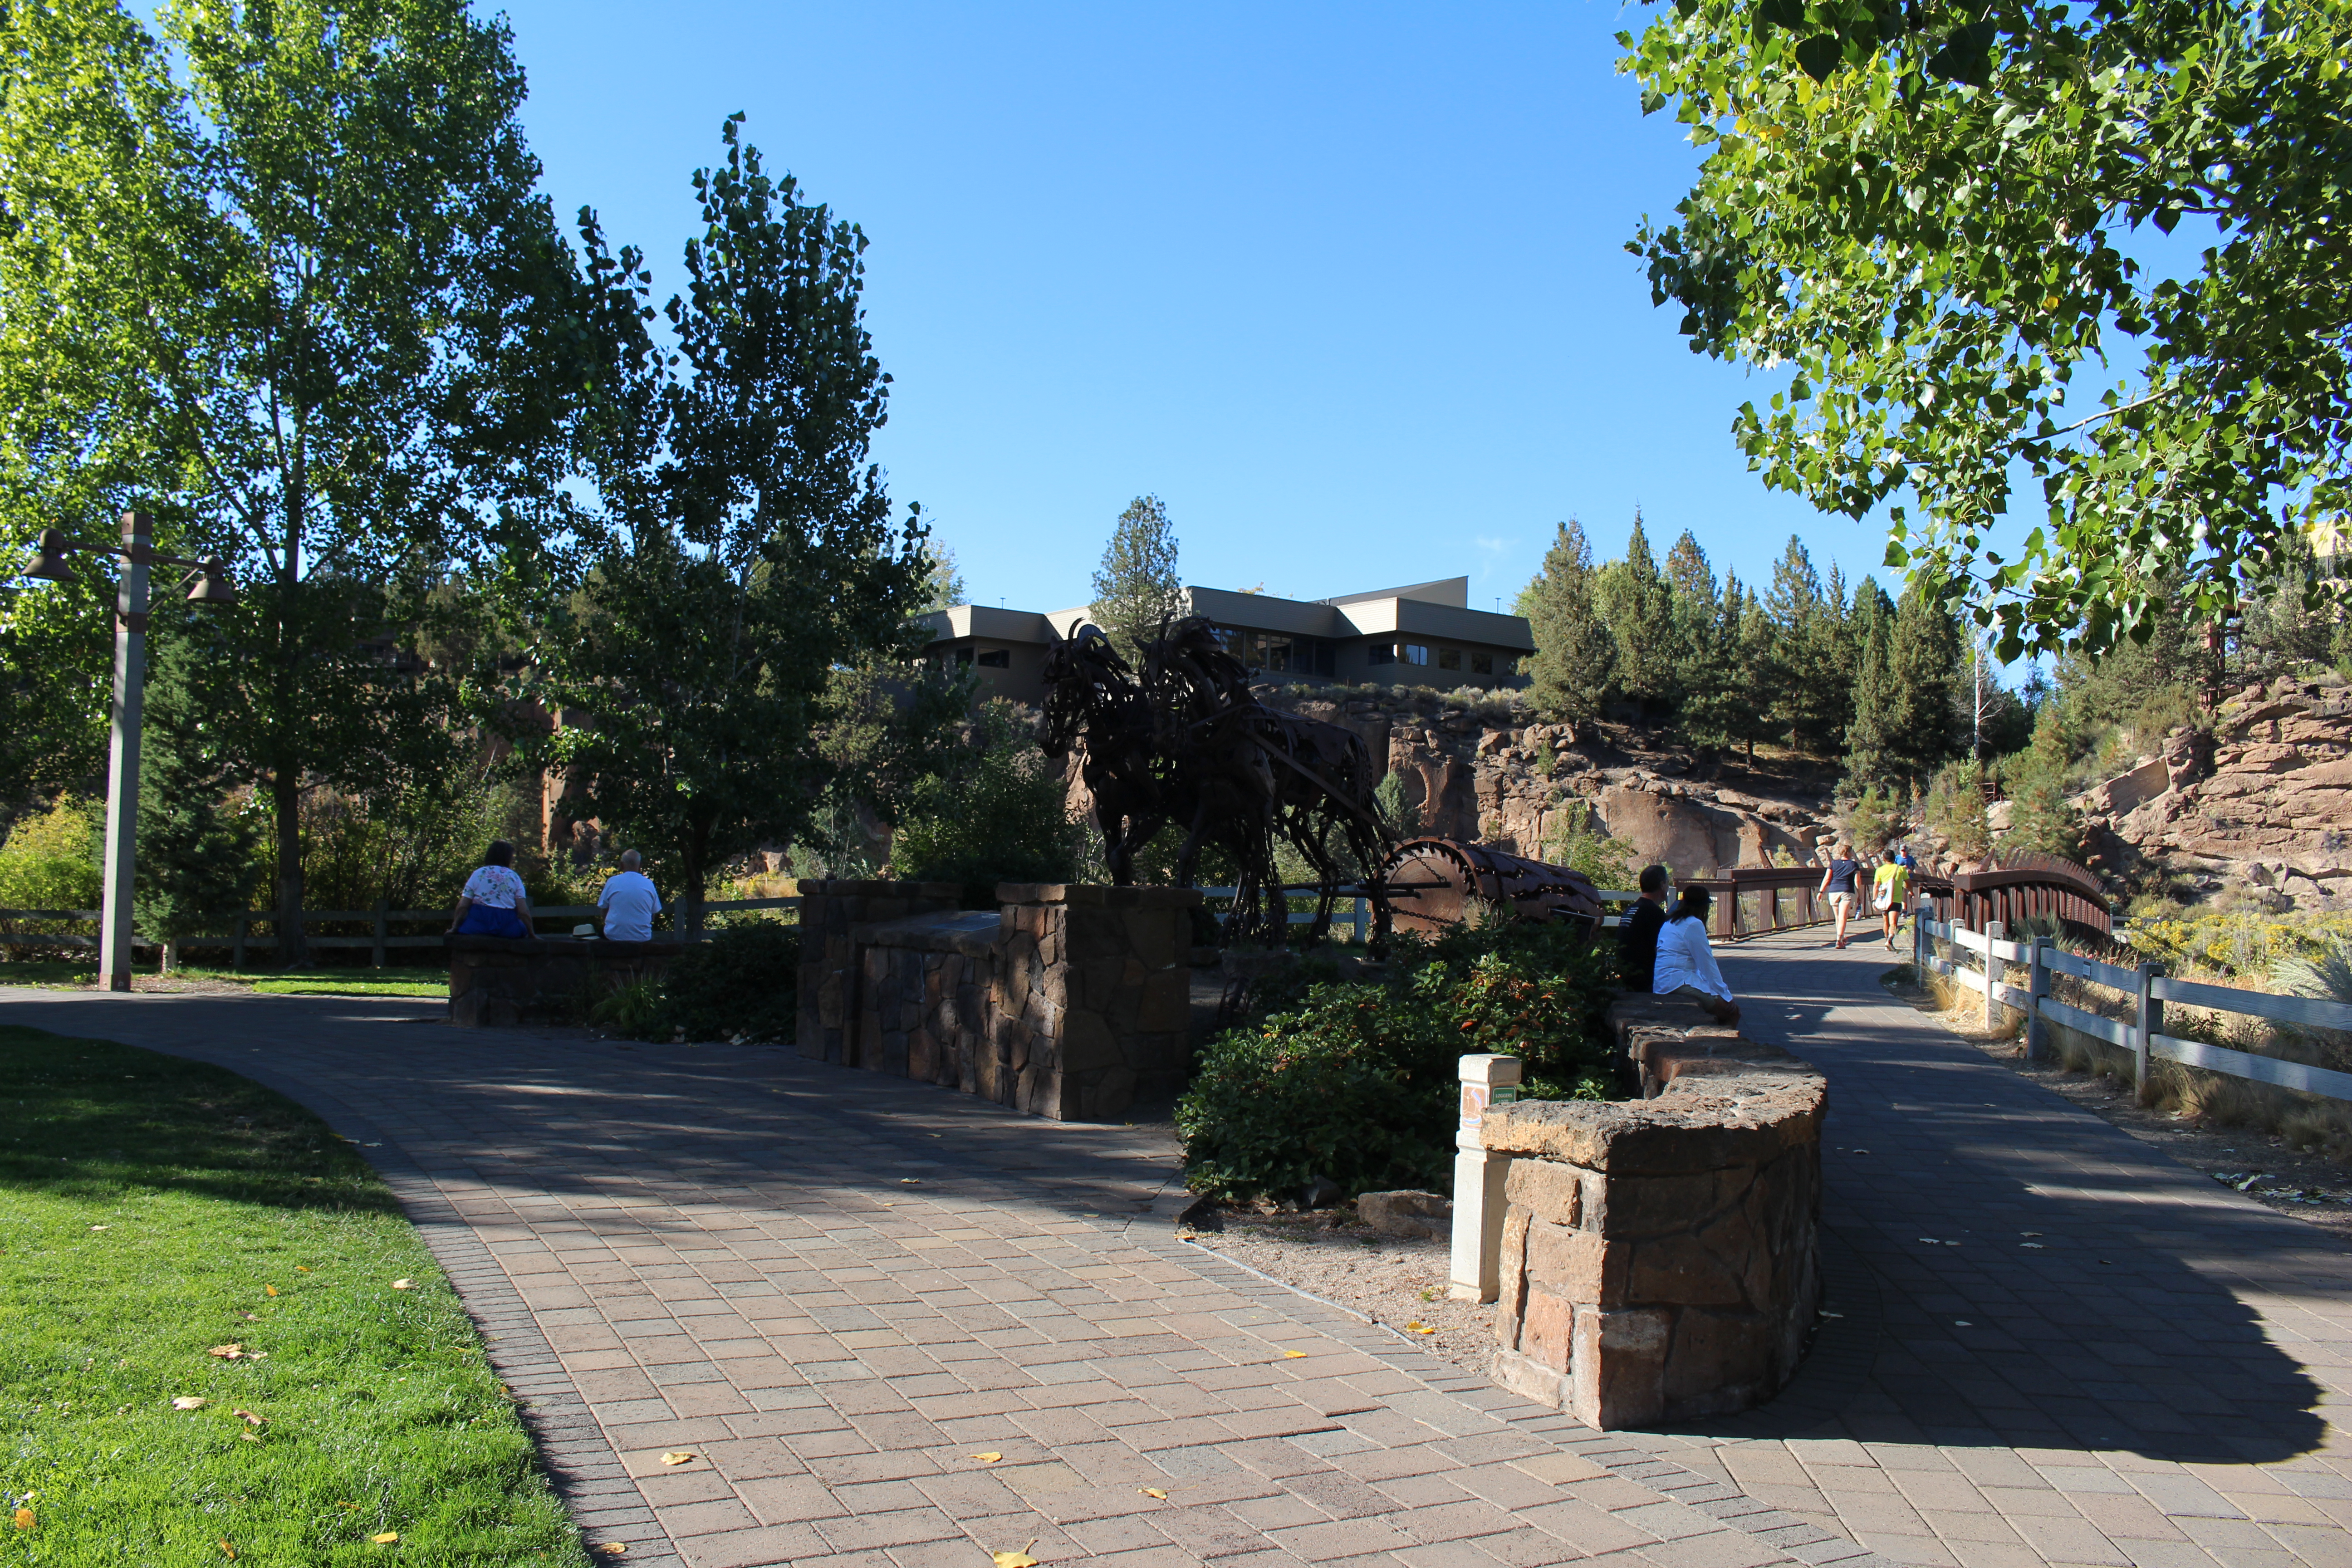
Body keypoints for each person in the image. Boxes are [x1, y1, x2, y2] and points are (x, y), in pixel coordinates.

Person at [1652, 885, 1740, 1025]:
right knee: (1732, 1013)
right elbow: (1707, 964)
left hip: (1662, 982)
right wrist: (1726, 995)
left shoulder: (1670, 922)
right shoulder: (1693, 924)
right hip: (1679, 983)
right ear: (1704, 907)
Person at [449, 840, 533, 939]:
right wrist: (532, 934)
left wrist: (455, 927)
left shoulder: (478, 874)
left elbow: (463, 906)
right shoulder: (514, 877)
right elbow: (523, 912)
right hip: (507, 926)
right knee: (519, 930)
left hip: (478, 924)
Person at [1616, 863, 1673, 993]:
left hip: (1627, 976)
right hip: (1645, 981)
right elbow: (1662, 950)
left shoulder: (1631, 909)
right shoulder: (1653, 913)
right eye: (1667, 883)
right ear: (1662, 885)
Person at [596, 850, 662, 943]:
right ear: (640, 866)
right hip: (642, 936)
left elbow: (604, 910)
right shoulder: (649, 884)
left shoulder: (612, 882)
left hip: (614, 935)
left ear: (622, 865)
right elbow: (653, 915)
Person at [1817, 841, 1863, 949]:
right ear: (1849, 853)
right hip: (1847, 891)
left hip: (1834, 891)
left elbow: (1827, 878)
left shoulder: (1833, 863)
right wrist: (1860, 894)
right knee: (1843, 917)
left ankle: (1840, 938)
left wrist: (1821, 892)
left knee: (1838, 918)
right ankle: (1839, 940)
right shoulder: (1854, 865)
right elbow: (1857, 881)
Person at [1873, 847, 1911, 951]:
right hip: (1896, 900)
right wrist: (1911, 891)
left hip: (1884, 900)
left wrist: (1874, 899)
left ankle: (1887, 940)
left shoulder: (1879, 870)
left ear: (1884, 859)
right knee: (1893, 923)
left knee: (1886, 922)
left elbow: (1876, 886)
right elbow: (1908, 883)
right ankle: (1890, 940)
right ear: (1895, 858)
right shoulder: (1901, 869)